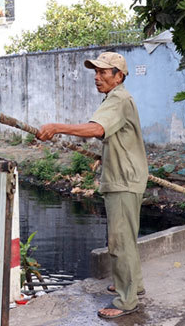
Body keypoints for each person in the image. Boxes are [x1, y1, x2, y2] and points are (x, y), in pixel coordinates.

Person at [36, 52, 148, 319]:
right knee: (127, 237)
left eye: (103, 72)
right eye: (95, 72)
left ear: (119, 76)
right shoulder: (117, 98)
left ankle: (126, 300)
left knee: (119, 241)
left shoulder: (118, 98)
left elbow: (96, 129)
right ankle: (134, 285)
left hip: (123, 180)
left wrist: (56, 127)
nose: (97, 78)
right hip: (127, 176)